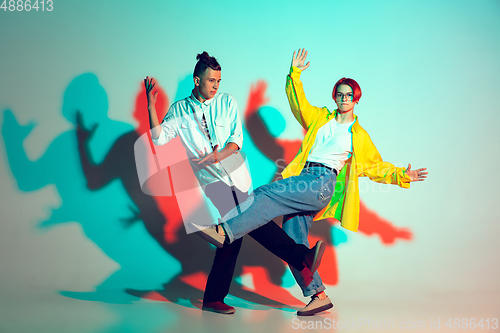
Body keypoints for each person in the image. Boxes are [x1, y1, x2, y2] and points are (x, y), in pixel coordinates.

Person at [197, 49, 428, 316]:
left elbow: (375, 166)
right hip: (304, 177)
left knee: (265, 193)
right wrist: (294, 74)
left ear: (356, 99)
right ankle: (318, 295)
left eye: (348, 95)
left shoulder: (358, 135)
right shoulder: (321, 118)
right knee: (294, 237)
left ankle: (224, 231)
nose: (344, 98)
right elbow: (299, 104)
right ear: (335, 97)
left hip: (321, 183)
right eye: (339, 94)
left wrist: (402, 175)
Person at [146, 51, 326, 315]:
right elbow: (159, 139)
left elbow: (236, 138)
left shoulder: (227, 102)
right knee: (249, 225)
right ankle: (300, 257)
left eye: (219, 80)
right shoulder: (179, 111)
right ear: (197, 81)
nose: (216, 86)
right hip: (214, 183)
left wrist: (219, 153)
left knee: (237, 232)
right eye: (211, 81)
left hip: (238, 176)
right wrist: (151, 107)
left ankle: (214, 298)